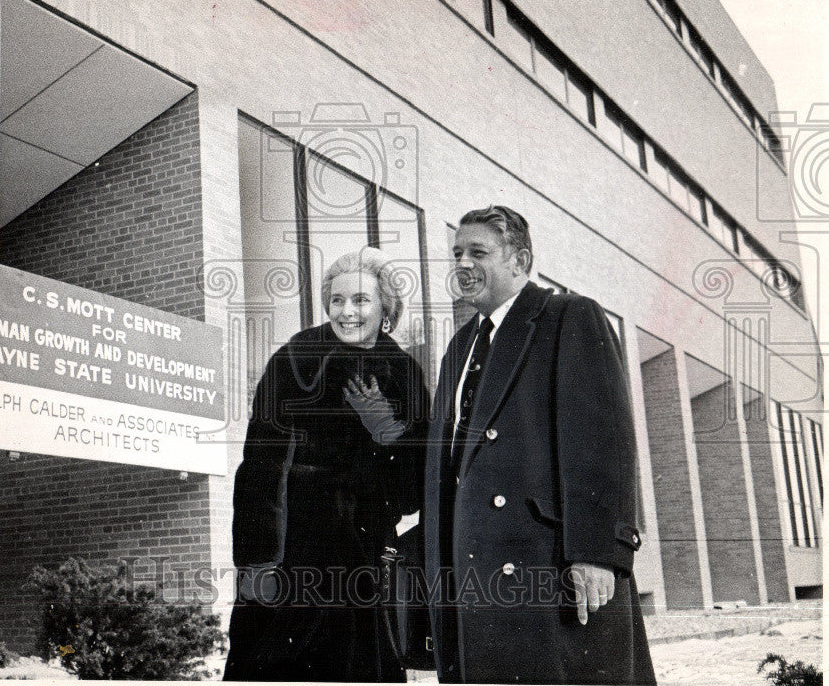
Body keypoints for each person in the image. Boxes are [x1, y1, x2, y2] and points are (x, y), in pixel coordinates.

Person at [423, 206, 655, 685]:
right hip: (471, 579)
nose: (462, 264)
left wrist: (597, 552)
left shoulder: (568, 317)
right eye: (457, 253)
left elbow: (603, 443)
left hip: (547, 573)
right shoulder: (459, 347)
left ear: (519, 260)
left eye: (478, 252)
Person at [224, 248, 430, 682]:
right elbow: (259, 465)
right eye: (337, 300)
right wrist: (257, 561)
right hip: (291, 552)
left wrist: (387, 432)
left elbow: (412, 492)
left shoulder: (406, 375)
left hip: (363, 558)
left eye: (360, 300)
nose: (346, 311)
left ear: (385, 308)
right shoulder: (296, 357)